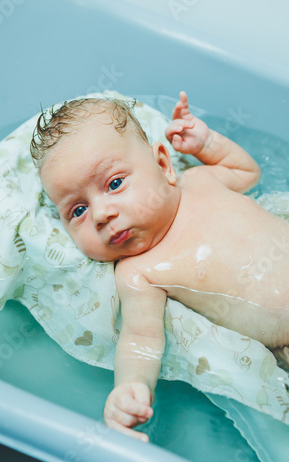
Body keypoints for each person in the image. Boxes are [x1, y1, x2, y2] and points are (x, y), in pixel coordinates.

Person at [30, 91, 289, 442]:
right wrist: (131, 387)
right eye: (78, 210)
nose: (102, 213)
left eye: (115, 183)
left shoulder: (200, 181)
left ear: (164, 166)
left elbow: (246, 172)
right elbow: (140, 338)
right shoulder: (139, 273)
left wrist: (207, 143)